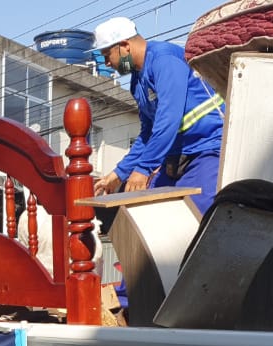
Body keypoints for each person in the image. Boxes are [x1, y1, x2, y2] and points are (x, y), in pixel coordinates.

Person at [91, 16, 224, 214]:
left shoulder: (164, 59)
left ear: (125, 46)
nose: (107, 63)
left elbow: (169, 119)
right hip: (175, 156)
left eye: (107, 54)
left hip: (208, 148)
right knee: (147, 209)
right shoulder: (137, 83)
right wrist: (118, 173)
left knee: (191, 213)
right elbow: (147, 135)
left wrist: (144, 169)